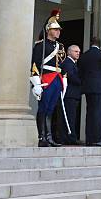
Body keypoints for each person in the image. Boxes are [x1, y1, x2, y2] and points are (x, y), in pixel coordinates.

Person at [30, 13, 67, 147]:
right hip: (46, 78)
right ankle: (42, 137)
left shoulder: (60, 46)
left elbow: (63, 64)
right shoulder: (41, 45)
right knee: (43, 108)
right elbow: (35, 64)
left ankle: (49, 137)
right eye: (55, 29)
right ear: (48, 30)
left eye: (58, 30)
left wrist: (65, 78)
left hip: (57, 79)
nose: (58, 32)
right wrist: (36, 83)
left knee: (51, 109)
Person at [78, 36, 101, 146]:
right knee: (98, 113)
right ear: (99, 44)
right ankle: (97, 139)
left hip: (88, 88)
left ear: (91, 43)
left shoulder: (84, 55)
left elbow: (80, 72)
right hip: (99, 87)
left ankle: (89, 138)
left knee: (90, 112)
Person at [60, 45, 82, 145]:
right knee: (69, 117)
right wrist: (83, 81)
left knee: (71, 117)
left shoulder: (73, 63)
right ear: (69, 52)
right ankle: (70, 138)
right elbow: (72, 77)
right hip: (69, 94)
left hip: (73, 94)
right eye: (76, 51)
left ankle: (70, 137)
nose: (78, 53)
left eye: (79, 52)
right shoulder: (68, 63)